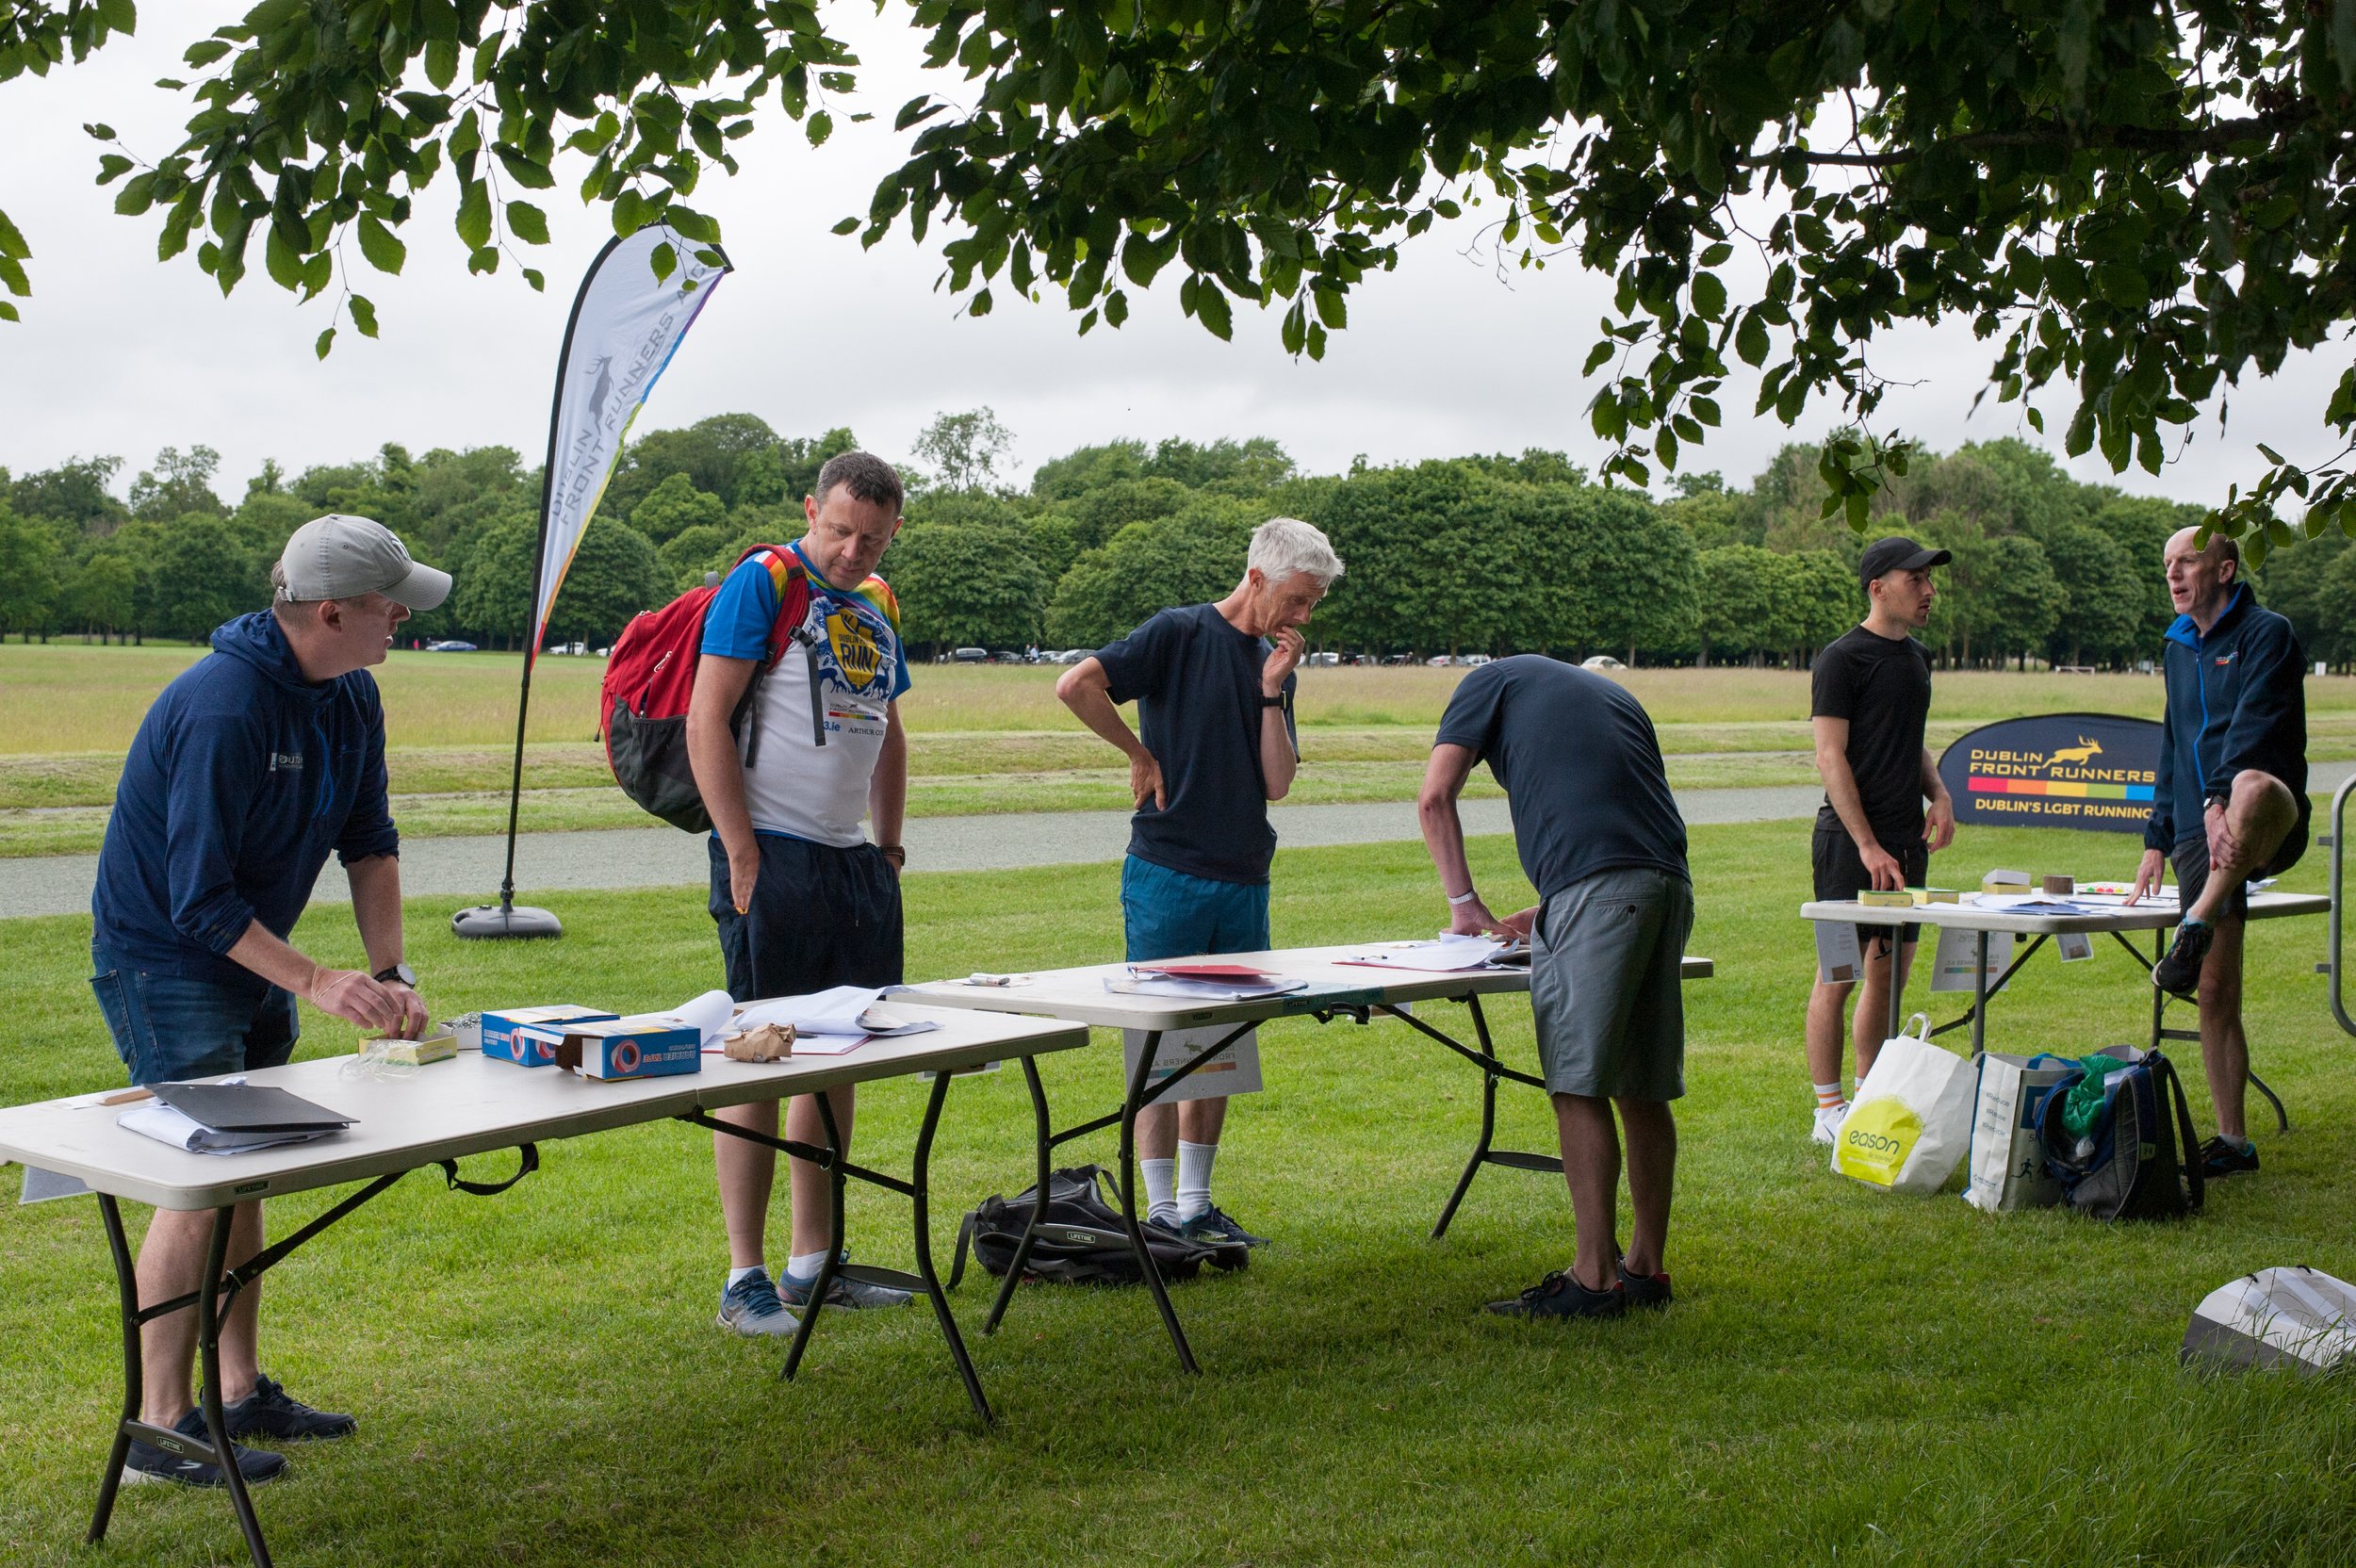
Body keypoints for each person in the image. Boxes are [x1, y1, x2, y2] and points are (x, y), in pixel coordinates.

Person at [90, 514, 446, 1487]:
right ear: (329, 611)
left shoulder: (351, 692)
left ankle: (238, 1386)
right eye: (390, 606)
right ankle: (163, 1428)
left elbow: (370, 839)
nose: (403, 622)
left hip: (246, 957)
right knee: (201, 1177)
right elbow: (196, 899)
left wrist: (391, 971)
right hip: (164, 961)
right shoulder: (222, 705)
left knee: (248, 1170)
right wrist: (321, 981)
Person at [1055, 516, 1345, 1249]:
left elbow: (1277, 783)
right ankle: (1155, 1212)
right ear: (1256, 579)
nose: (1306, 617)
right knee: (1158, 1038)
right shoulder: (1177, 634)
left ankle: (1196, 1205)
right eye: (1299, 599)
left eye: (1314, 603)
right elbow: (1077, 685)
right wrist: (1140, 753)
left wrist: (1273, 689)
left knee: (1222, 1043)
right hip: (1168, 872)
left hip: (1245, 875)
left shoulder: (1275, 662)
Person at [687, 451, 918, 1334]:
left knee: (837, 1055)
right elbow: (705, 717)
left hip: (849, 861)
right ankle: (743, 1277)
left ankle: (815, 1263)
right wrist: (741, 848)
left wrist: (887, 846)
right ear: (811, 509)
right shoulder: (763, 582)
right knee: (759, 1051)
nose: (855, 551)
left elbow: (890, 734)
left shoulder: (879, 602)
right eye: (841, 530)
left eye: (874, 538)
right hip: (770, 853)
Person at [1418, 656, 1692, 1318]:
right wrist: (1554, 909)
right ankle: (1645, 1269)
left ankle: (1593, 1281)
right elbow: (1624, 823)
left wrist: (1465, 903)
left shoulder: (1485, 683)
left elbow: (1433, 796)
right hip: (1666, 886)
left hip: (1600, 894)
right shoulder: (1612, 694)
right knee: (1642, 1085)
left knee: (1577, 1083)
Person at [2129, 528, 2308, 1178]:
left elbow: (2255, 726)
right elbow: (2175, 743)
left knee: (2252, 782)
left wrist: (2214, 801)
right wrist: (2157, 835)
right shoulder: (2176, 649)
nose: (2174, 575)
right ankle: (2234, 1142)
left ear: (2226, 568)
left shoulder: (2267, 633)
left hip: (2265, 815)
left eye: (2187, 562)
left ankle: (2196, 918)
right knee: (2213, 990)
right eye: (2167, 564)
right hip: (2195, 832)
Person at [1805, 536, 1956, 1144]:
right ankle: (1827, 1111)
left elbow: (1909, 739)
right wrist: (1866, 844)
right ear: (1878, 587)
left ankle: (1867, 1098)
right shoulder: (1841, 659)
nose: (1929, 590)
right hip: (1848, 845)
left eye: (1930, 579)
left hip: (1904, 844)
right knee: (1838, 974)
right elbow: (1830, 756)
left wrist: (1939, 794)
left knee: (1887, 977)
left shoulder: (1919, 658)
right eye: (1915, 578)